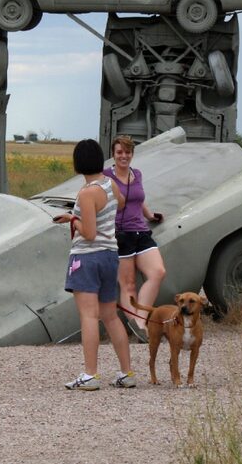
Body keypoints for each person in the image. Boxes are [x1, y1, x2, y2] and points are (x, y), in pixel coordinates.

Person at [54, 139, 136, 391]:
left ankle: (90, 375)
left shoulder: (87, 193)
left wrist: (72, 218)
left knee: (88, 316)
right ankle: (127, 373)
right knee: (110, 316)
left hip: (87, 257)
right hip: (110, 255)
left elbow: (88, 232)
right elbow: (120, 203)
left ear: (78, 163)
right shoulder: (109, 183)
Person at [103, 135, 166, 341]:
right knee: (128, 284)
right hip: (121, 235)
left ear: (132, 154)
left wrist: (150, 216)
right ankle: (140, 327)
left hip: (141, 231)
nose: (124, 156)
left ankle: (140, 321)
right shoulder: (105, 177)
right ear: (113, 154)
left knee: (158, 272)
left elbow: (139, 200)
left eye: (128, 152)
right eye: (120, 152)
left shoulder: (136, 174)